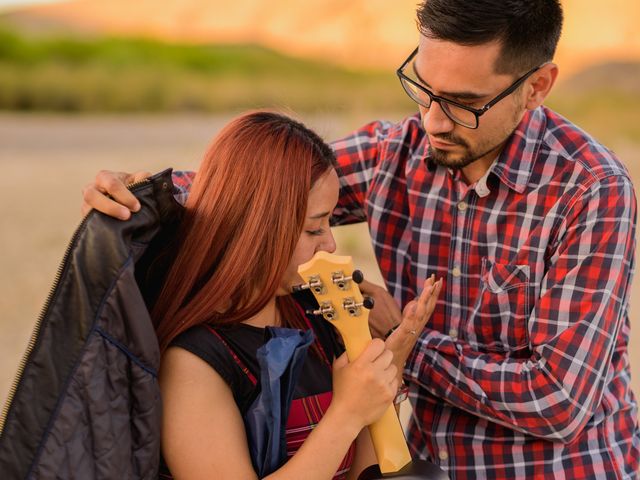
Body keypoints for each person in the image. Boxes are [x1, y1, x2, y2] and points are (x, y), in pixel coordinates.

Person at [81, 1, 640, 478]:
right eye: (423, 88)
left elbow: (557, 400)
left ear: (536, 86)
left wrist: (396, 345)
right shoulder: (394, 152)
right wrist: (143, 191)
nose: (433, 121)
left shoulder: (591, 191)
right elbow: (266, 195)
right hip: (420, 464)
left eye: (464, 103)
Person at [144, 111, 442, 480]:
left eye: (331, 222)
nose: (330, 243)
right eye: (314, 228)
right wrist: (347, 413)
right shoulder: (193, 361)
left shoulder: (314, 317)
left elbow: (365, 473)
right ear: (255, 227)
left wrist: (385, 371)